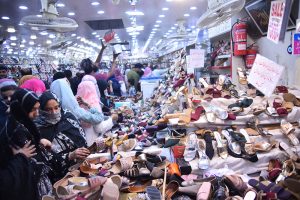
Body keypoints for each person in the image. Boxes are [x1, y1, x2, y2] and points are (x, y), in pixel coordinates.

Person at [35, 92, 89, 173]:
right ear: (41, 110)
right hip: (62, 175)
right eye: (48, 109)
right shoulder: (38, 130)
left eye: (56, 108)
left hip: (84, 164)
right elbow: (46, 160)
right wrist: (70, 156)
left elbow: (81, 137)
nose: (54, 112)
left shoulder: (68, 117)